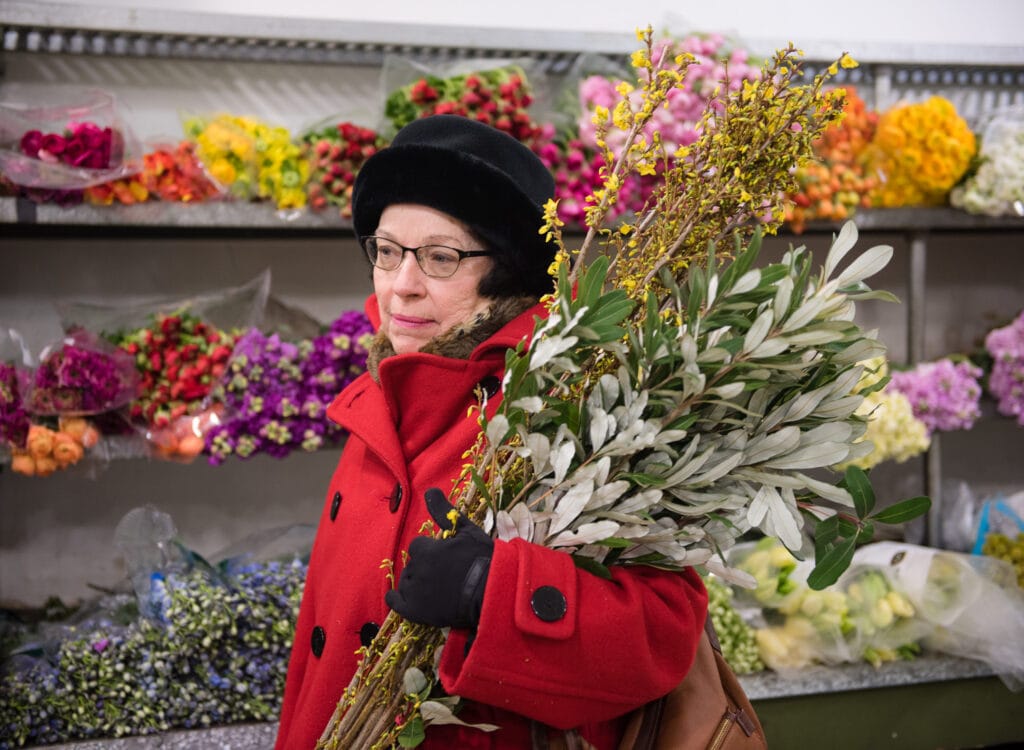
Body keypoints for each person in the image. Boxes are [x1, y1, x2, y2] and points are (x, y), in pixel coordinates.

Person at [275, 114, 708, 750]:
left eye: (440, 258)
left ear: (505, 272)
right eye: (388, 251)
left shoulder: (565, 409)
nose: (402, 286)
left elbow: (663, 635)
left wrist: (489, 591)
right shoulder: (378, 398)